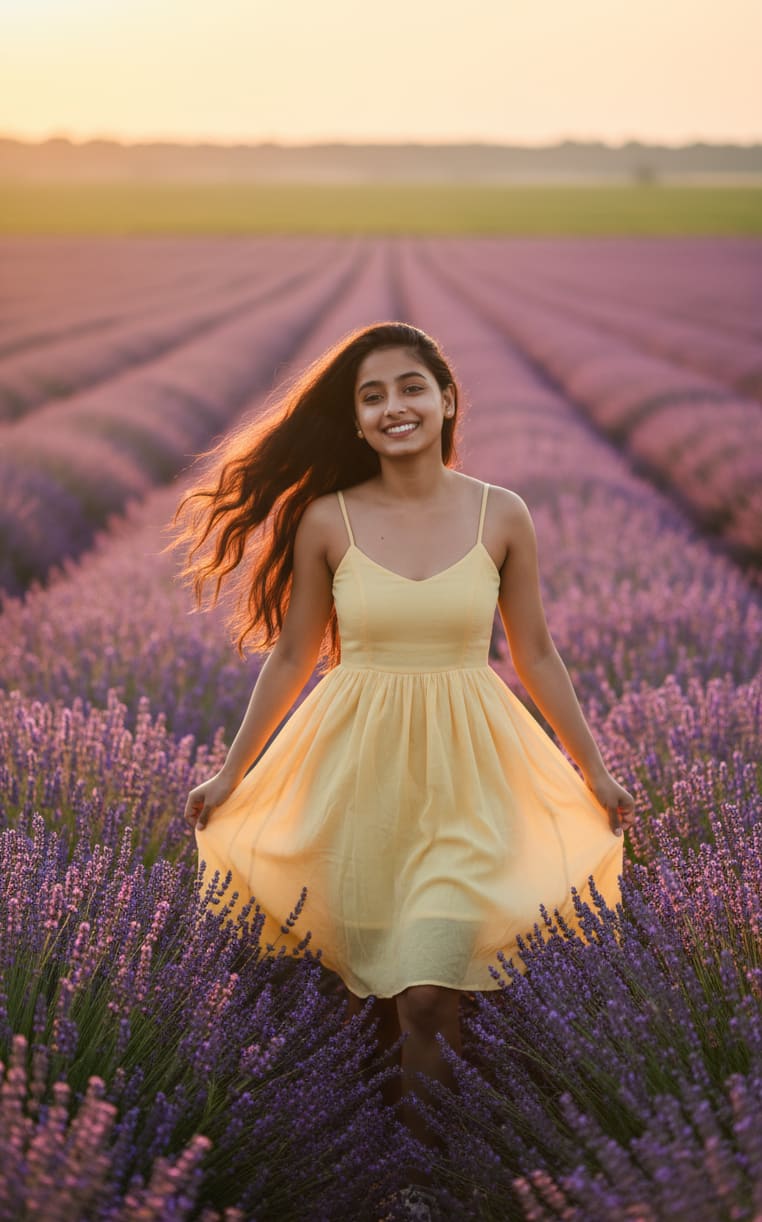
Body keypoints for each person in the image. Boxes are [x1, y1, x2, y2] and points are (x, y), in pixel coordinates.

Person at [174, 321, 635, 1211]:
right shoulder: (326, 519)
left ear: (448, 399)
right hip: (354, 769)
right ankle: (360, 1162)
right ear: (353, 420)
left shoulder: (503, 512)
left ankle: (422, 1185)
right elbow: (293, 655)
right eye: (373, 396)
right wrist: (232, 774)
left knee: (429, 988)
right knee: (364, 990)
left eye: (411, 388)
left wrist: (596, 771)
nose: (395, 408)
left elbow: (536, 654)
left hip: (470, 765)